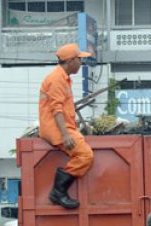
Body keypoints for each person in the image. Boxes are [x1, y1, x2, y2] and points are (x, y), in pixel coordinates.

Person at [39, 43, 94, 209]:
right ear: (70, 61)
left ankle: (58, 191)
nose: (81, 63)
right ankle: (58, 191)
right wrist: (65, 135)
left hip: (64, 128)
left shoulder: (62, 77)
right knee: (85, 156)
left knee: (84, 153)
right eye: (79, 59)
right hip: (57, 130)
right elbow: (56, 110)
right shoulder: (56, 79)